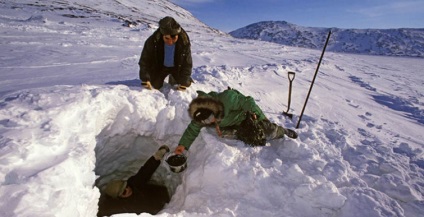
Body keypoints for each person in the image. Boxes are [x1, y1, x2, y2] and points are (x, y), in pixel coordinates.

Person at [174, 88, 298, 154]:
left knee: (266, 132)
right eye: (206, 122)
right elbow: (192, 130)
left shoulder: (228, 98)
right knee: (240, 136)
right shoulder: (201, 115)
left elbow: (248, 102)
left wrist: (261, 119)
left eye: (211, 118)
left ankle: (283, 131)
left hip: (243, 117)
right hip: (229, 125)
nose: (209, 122)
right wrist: (182, 146)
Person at [97, 145, 170, 216]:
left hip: (159, 196)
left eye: (126, 185)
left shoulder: (133, 184)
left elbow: (145, 172)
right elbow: (104, 212)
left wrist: (157, 157)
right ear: (119, 197)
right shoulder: (121, 209)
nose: (128, 189)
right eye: (124, 191)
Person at [138, 16, 193, 91]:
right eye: (167, 38)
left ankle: (174, 77)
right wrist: (146, 78)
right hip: (160, 67)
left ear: (178, 35)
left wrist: (184, 81)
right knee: (155, 85)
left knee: (186, 83)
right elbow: (144, 61)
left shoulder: (184, 42)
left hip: (177, 68)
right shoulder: (152, 41)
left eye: (174, 38)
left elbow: (187, 63)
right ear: (162, 35)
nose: (170, 42)